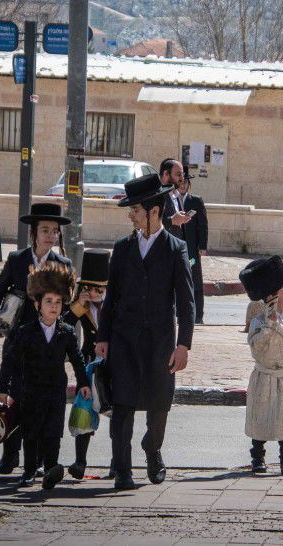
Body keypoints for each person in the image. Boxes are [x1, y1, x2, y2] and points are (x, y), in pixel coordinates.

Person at [95, 173, 196, 491]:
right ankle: (122, 471)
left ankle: (153, 449)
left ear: (153, 211)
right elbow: (111, 298)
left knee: (159, 405)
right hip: (124, 339)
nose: (130, 215)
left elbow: (187, 302)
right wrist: (103, 337)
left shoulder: (176, 248)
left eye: (134, 209)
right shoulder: (122, 248)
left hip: (161, 342)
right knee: (122, 405)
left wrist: (183, 345)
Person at [0, 202, 73, 475]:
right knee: (14, 397)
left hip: (46, 345)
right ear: (34, 233)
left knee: (42, 402)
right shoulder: (17, 260)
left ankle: (38, 463)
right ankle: (10, 455)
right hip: (18, 340)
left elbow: (67, 308)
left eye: (55, 231)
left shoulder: (63, 265)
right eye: (45, 230)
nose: (50, 236)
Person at [0, 263, 90, 489]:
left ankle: (51, 469)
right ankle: (28, 471)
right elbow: (10, 359)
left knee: (53, 431)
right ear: (37, 304)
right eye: (49, 301)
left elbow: (77, 359)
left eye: (58, 302)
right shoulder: (26, 331)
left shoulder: (66, 331)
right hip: (31, 389)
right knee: (31, 430)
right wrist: (3, 388)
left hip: (56, 390)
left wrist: (83, 383)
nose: (54, 306)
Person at [239, 256, 283, 476]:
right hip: (265, 376)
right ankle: (258, 457)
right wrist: (269, 326)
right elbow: (256, 347)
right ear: (270, 297)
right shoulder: (259, 322)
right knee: (261, 416)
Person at [63, 248, 110, 480]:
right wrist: (78, 306)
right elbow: (63, 325)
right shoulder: (82, 304)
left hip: (114, 363)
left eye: (98, 288)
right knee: (84, 407)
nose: (93, 293)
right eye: (88, 287)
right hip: (90, 364)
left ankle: (117, 462)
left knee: (117, 413)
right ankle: (80, 461)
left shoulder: (115, 303)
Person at [175, 170, 209, 324]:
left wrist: (202, 246)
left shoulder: (196, 200)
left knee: (194, 278)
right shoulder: (171, 201)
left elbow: (203, 225)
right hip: (175, 250)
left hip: (192, 254)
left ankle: (198, 315)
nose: (183, 186)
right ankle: (177, 313)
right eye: (180, 183)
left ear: (189, 184)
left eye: (185, 183)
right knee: (175, 280)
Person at [158, 158, 191, 238]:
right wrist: (171, 220)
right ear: (166, 174)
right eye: (178, 174)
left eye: (182, 174)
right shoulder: (156, 195)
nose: (182, 179)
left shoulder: (178, 195)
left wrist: (182, 219)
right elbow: (147, 223)